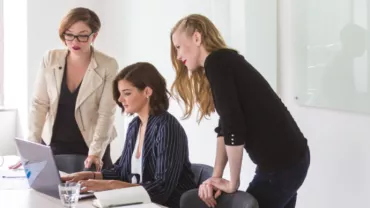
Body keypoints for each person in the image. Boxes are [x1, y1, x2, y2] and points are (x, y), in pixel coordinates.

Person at [170, 14, 310, 208]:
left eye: (178, 47)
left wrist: (232, 182)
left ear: (196, 38)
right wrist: (216, 178)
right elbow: (225, 127)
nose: (178, 56)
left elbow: (234, 127)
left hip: (283, 164)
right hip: (290, 159)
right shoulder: (223, 62)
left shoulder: (217, 63)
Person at [62, 62, 197, 208]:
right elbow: (121, 170)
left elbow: (161, 189)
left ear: (147, 92)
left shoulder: (167, 127)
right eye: (120, 94)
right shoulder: (135, 126)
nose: (120, 99)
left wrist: (109, 185)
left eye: (127, 93)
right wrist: (90, 175)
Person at [10, 7, 118, 171]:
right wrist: (31, 149)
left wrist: (95, 153)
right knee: (48, 193)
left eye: (82, 36)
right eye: (69, 35)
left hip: (91, 145)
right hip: (54, 144)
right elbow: (39, 104)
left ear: (93, 36)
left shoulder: (107, 65)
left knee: (90, 195)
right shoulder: (51, 58)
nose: (74, 42)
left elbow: (106, 113)